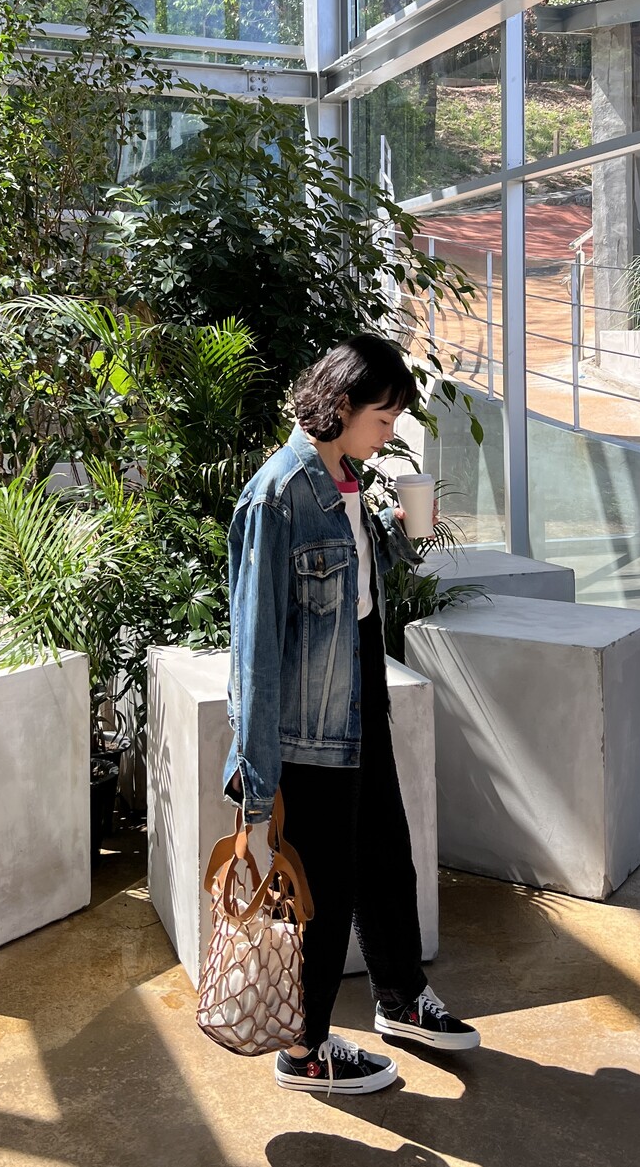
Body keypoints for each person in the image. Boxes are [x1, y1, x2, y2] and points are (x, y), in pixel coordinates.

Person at [223, 334, 481, 1096]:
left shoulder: (345, 479)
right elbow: (255, 647)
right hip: (310, 725)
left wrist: (403, 534)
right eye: (383, 418)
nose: (389, 433)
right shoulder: (278, 494)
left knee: (384, 854)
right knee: (325, 890)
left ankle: (400, 997)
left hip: (360, 692)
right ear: (340, 405)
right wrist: (256, 780)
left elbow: (353, 592)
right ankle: (304, 1049)